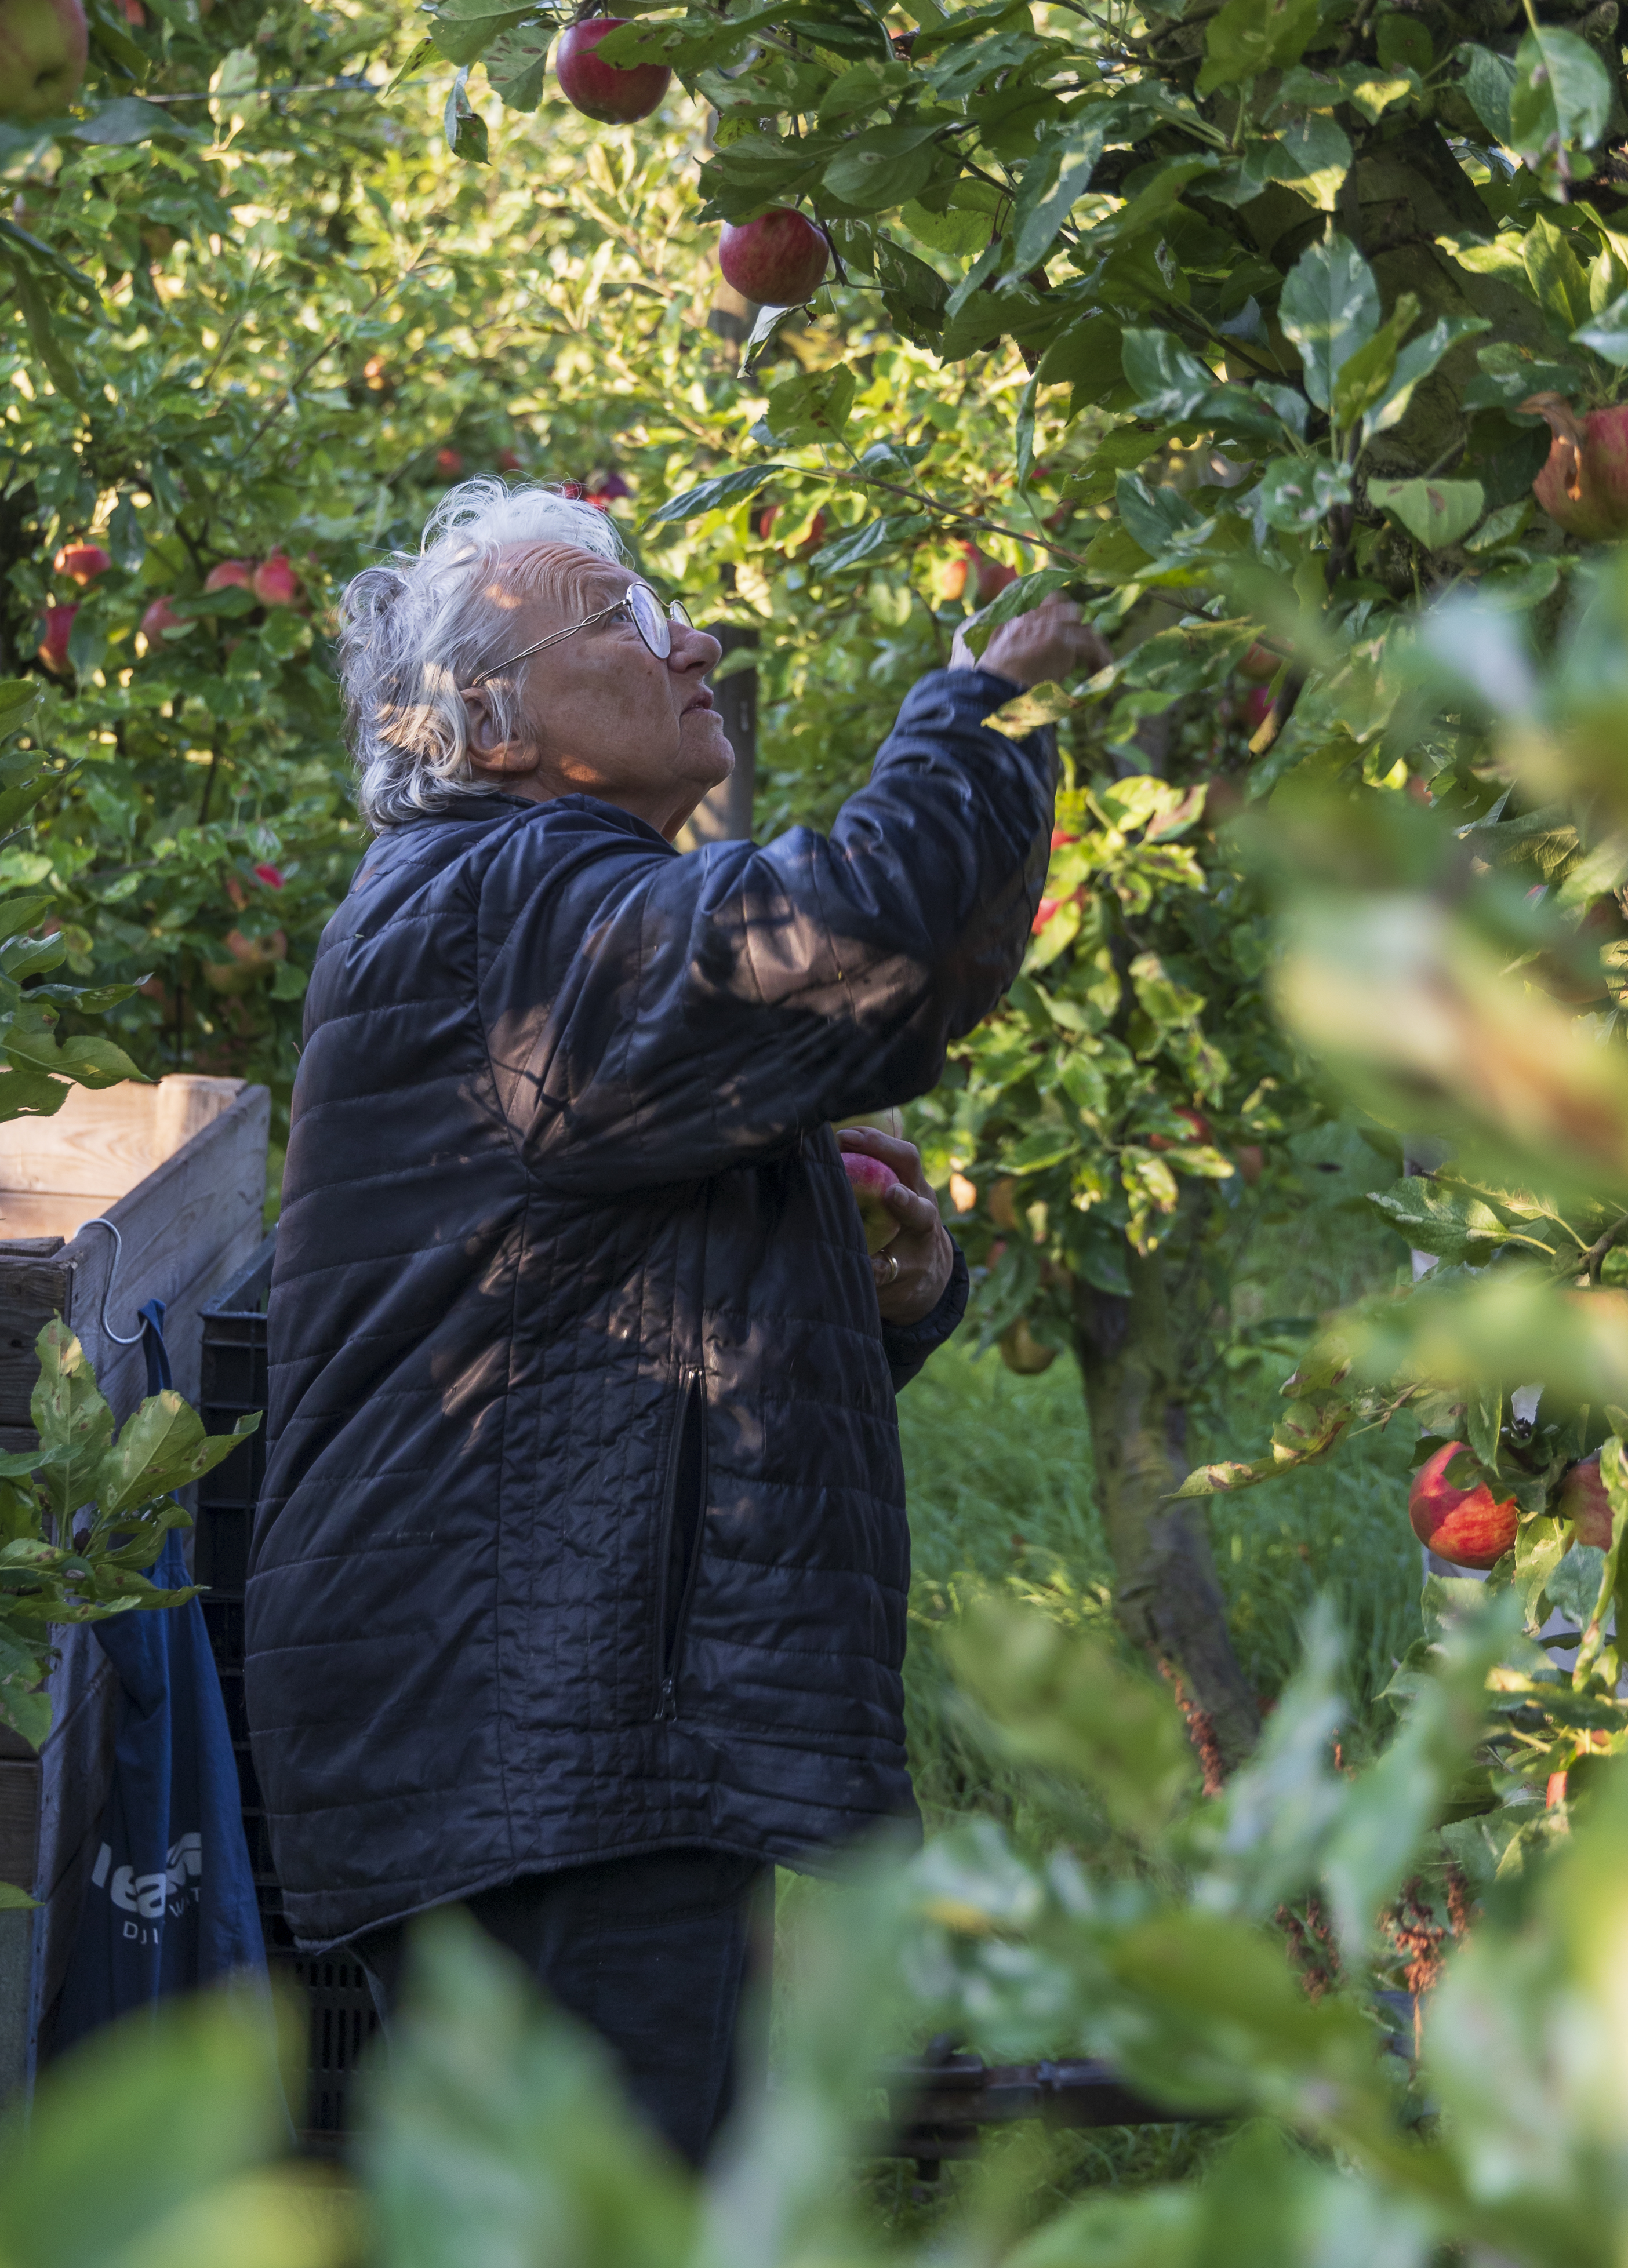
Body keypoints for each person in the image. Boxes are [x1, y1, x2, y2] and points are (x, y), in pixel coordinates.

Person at [245, 480, 1105, 2166]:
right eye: (627, 617)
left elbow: (849, 1042)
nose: (690, 633)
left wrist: (878, 1289)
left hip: (562, 1725)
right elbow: (854, 938)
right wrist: (981, 708)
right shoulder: (502, 913)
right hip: (533, 1731)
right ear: (490, 726)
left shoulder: (538, 909)